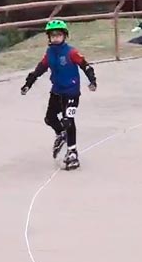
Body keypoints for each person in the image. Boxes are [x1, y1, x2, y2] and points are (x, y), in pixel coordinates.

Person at [21, 20, 98, 171]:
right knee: (49, 118)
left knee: (68, 120)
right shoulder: (49, 53)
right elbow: (39, 69)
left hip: (71, 92)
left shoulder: (71, 52)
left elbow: (86, 66)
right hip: (56, 91)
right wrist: (28, 84)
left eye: (59, 35)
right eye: (53, 35)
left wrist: (92, 81)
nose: (56, 38)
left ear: (65, 36)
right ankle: (61, 134)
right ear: (49, 37)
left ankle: (72, 151)